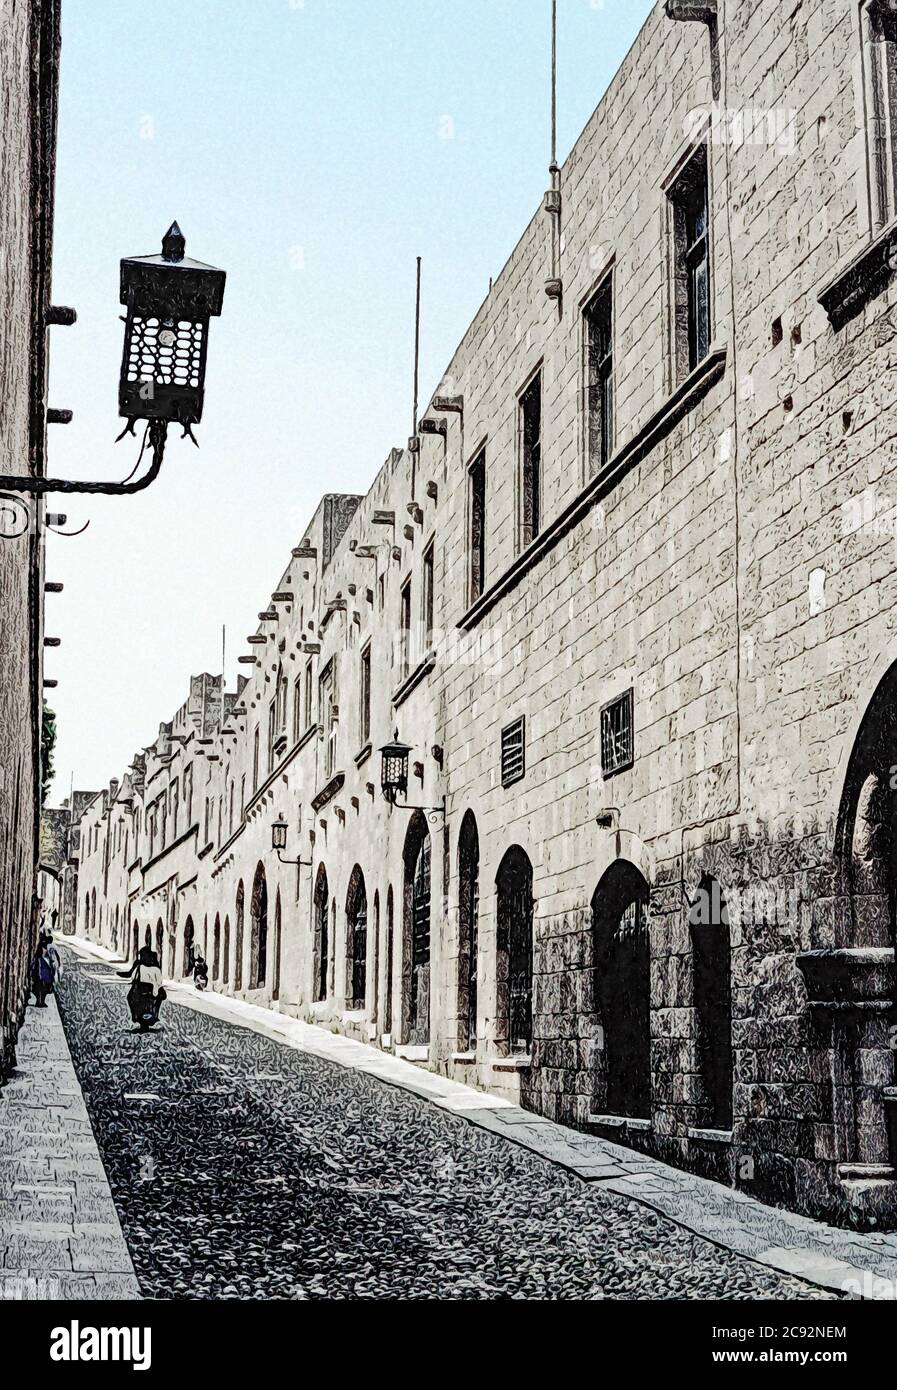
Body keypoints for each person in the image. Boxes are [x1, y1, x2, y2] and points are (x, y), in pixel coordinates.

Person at [118, 946, 166, 1031]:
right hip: (151, 990)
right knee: (157, 1000)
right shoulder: (155, 967)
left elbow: (131, 975)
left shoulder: (139, 965)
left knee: (131, 998)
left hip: (140, 989)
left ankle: (136, 1017)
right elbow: (159, 981)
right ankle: (153, 1015)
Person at [31, 942, 55, 1008]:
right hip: (41, 978)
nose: (46, 950)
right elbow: (37, 969)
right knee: (40, 990)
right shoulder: (39, 960)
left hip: (45, 978)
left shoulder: (43, 959)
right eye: (44, 949)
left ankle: (41, 1002)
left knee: (44, 991)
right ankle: (39, 1002)